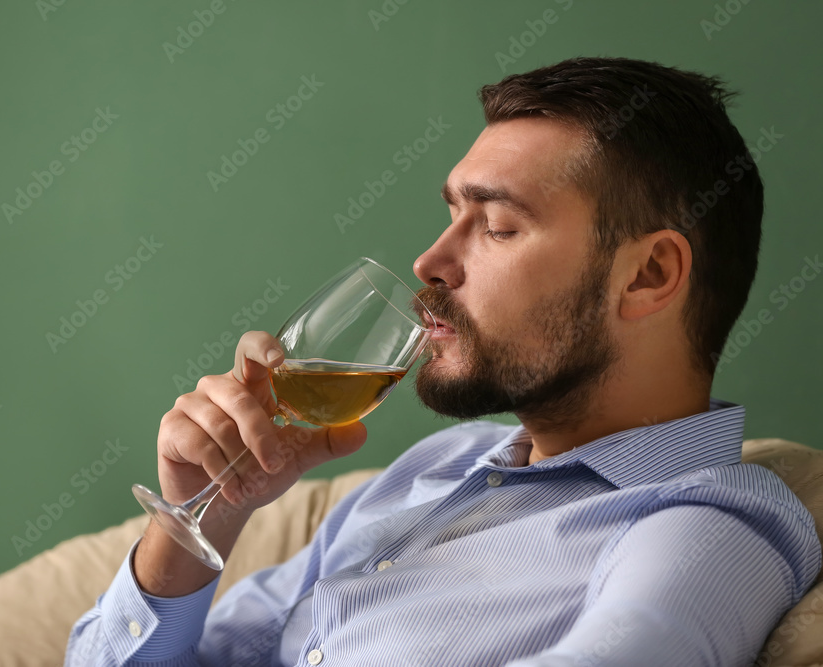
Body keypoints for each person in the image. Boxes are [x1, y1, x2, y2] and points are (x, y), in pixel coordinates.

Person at [65, 57, 821, 666]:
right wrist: (203, 521)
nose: (430, 260)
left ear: (649, 275)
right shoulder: (434, 469)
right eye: (451, 212)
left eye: (495, 225)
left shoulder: (706, 525)